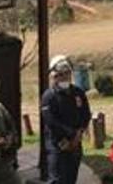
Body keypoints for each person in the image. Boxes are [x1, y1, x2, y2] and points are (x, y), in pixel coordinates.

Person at [40, 55, 91, 184]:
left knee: (71, 178)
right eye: (61, 74)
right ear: (54, 76)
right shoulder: (49, 96)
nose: (65, 77)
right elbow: (51, 122)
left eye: (67, 73)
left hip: (75, 143)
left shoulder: (78, 93)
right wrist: (70, 135)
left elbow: (86, 114)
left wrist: (78, 134)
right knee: (57, 180)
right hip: (56, 144)